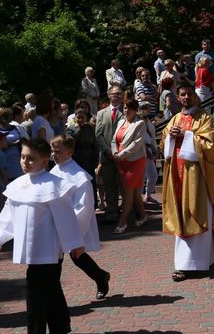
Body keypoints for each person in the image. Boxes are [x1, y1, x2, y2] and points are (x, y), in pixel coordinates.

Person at [0, 139, 84, 334]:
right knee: (49, 286)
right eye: (23, 157)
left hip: (48, 247)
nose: (25, 162)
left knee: (35, 292)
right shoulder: (18, 184)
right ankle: (60, 325)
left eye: (31, 159)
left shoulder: (54, 186)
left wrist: (75, 244)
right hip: (30, 247)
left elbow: (66, 218)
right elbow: (9, 213)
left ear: (44, 161)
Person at [161, 83, 214, 282]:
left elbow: (210, 146)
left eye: (190, 94)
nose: (186, 98)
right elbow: (164, 144)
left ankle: (191, 264)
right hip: (178, 177)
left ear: (196, 97)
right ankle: (191, 261)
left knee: (197, 214)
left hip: (197, 178)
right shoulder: (174, 119)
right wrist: (169, 138)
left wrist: (187, 135)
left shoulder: (204, 118)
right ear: (178, 97)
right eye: (183, 94)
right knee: (182, 217)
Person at [50, 135, 111, 300]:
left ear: (69, 153)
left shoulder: (79, 177)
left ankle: (100, 277)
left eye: (57, 151)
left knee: (75, 256)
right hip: (55, 222)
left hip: (71, 223)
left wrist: (73, 234)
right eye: (52, 151)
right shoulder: (54, 171)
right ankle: (53, 294)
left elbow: (84, 207)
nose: (53, 155)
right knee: (56, 257)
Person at [111, 99, 148, 233]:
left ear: (136, 110)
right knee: (134, 191)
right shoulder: (121, 122)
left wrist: (120, 155)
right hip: (121, 161)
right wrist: (115, 153)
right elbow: (113, 139)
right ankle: (143, 216)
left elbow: (136, 144)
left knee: (127, 190)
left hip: (135, 160)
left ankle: (122, 222)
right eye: (125, 108)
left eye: (130, 108)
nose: (127, 111)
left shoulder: (140, 123)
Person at [95, 86, 123, 223]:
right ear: (108, 95)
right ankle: (112, 212)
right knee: (109, 185)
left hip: (124, 155)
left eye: (119, 94)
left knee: (125, 185)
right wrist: (107, 150)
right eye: (114, 94)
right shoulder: (101, 113)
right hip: (107, 156)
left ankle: (127, 211)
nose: (117, 96)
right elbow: (98, 135)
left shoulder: (127, 111)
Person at [138, 103, 158, 205]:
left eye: (147, 108)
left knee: (153, 175)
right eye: (144, 108)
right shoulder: (137, 121)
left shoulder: (148, 121)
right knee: (141, 176)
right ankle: (138, 199)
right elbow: (139, 138)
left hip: (150, 149)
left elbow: (152, 137)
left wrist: (155, 148)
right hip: (141, 150)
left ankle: (148, 195)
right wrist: (145, 149)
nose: (147, 110)